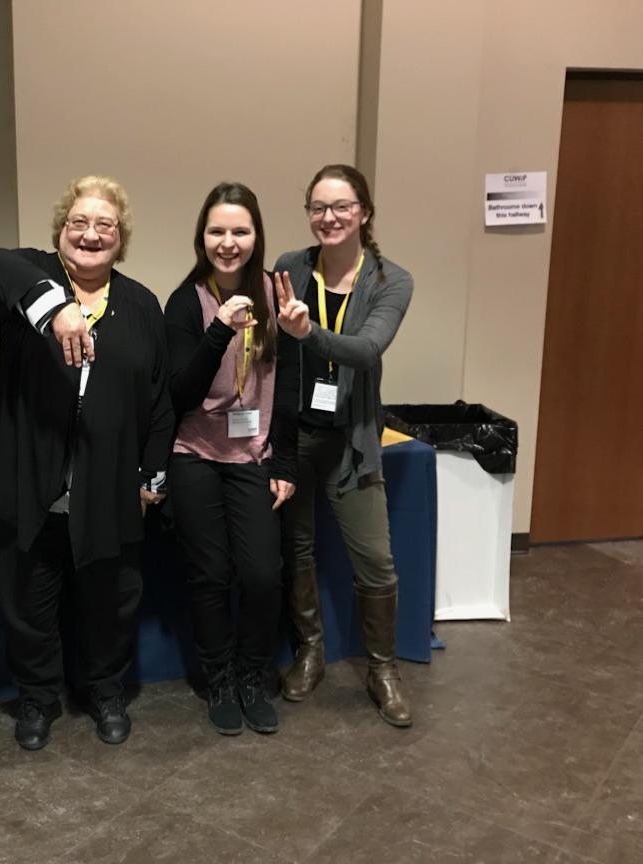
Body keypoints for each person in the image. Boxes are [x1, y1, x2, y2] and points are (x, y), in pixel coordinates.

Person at [0, 175, 174, 750]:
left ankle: (105, 691)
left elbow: (159, 401)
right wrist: (55, 309)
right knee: (27, 604)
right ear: (61, 231)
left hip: (110, 487)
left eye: (104, 226)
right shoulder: (33, 278)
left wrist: (152, 475)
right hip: (30, 481)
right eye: (78, 223)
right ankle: (38, 699)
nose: (90, 235)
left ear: (122, 238)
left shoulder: (140, 304)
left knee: (110, 603)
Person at [273, 163, 415, 727]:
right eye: (318, 208)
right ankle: (310, 653)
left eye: (341, 207)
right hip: (296, 435)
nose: (328, 218)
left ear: (364, 212)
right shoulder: (290, 267)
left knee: (376, 561)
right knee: (297, 549)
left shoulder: (390, 280)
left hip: (352, 439)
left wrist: (310, 334)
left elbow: (366, 349)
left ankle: (383, 670)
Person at [164, 182, 296, 736]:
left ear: (256, 236)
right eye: (217, 231)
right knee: (209, 575)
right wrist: (220, 330)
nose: (228, 242)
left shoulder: (275, 293)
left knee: (263, 575)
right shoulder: (184, 300)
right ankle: (218, 678)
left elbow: (288, 385)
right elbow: (178, 392)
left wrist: (285, 463)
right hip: (194, 453)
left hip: (252, 456)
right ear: (202, 237)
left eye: (240, 231)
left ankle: (252, 675)